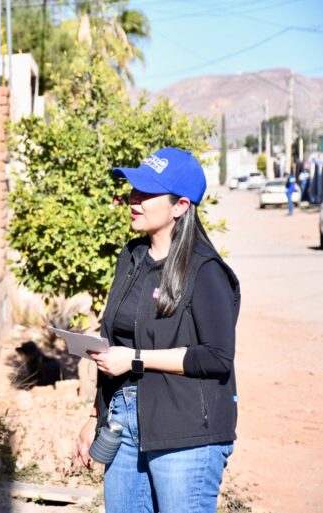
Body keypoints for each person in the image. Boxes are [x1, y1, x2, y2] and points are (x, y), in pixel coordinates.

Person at [74, 148, 241, 513]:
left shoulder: (205, 270)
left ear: (180, 206)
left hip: (185, 435)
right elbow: (114, 344)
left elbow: (216, 357)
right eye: (134, 189)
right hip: (124, 424)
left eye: (147, 192)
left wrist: (135, 359)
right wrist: (95, 417)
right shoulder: (131, 257)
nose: (134, 199)